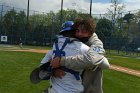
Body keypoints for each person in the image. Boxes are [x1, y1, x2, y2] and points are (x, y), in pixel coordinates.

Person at [51, 18, 110, 93]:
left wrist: (62, 61)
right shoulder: (75, 42)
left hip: (91, 88)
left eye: (84, 31)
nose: (79, 34)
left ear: (90, 32)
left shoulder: (97, 43)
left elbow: (92, 60)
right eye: (77, 31)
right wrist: (53, 71)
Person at [40, 21, 92, 93]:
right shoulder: (83, 47)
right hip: (73, 90)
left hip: (53, 90)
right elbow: (105, 63)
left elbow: (41, 67)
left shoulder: (55, 46)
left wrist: (53, 71)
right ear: (74, 32)